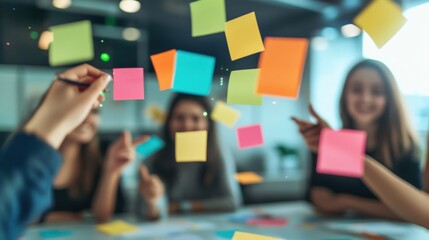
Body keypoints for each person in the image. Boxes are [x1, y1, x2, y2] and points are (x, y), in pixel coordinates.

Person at [292, 59, 421, 220]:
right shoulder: (325, 140)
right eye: (356, 89)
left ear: (390, 100)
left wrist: (347, 202)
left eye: (376, 91)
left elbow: (414, 208)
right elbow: (319, 199)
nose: (365, 98)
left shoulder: (404, 147)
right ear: (345, 95)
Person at [0, 64, 110, 240]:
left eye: (95, 110)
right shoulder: (17, 154)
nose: (87, 117)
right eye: (85, 108)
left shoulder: (101, 156)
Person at [137, 93, 241, 220]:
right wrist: (153, 202)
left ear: (208, 124)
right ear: (168, 122)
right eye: (179, 118)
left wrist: (181, 206)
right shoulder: (152, 153)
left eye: (196, 118)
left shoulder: (219, 153)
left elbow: (232, 202)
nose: (187, 125)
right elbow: (144, 211)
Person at [40, 108, 147, 223]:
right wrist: (79, 217)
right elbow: (24, 215)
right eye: (80, 110)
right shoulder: (32, 154)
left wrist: (111, 171)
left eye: (95, 112)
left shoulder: (106, 151)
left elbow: (102, 218)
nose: (89, 119)